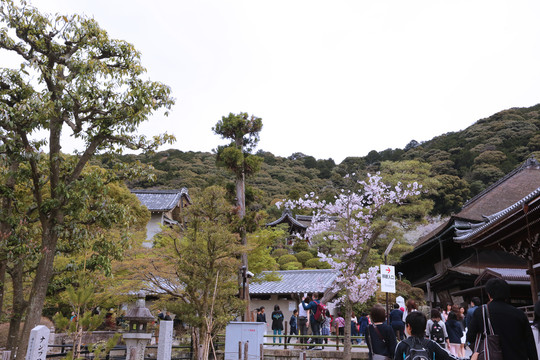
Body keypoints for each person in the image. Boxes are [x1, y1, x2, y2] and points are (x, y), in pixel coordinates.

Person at [466, 278, 538, 360]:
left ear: (489, 294)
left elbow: (470, 337)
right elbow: (530, 343)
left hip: (492, 356)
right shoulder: (519, 314)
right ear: (507, 294)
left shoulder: (481, 312)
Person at [394, 311, 465, 360]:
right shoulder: (432, 344)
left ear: (409, 327)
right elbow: (450, 357)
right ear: (424, 327)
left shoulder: (401, 345)